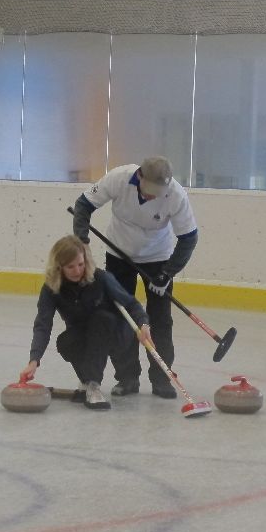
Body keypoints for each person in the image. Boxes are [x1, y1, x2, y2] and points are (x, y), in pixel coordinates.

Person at [72, 156, 198, 398]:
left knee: (160, 320)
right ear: (139, 176)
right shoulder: (119, 178)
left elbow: (189, 238)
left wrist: (167, 273)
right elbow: (83, 205)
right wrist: (82, 241)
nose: (151, 197)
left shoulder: (176, 195)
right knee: (122, 318)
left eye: (157, 194)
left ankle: (162, 378)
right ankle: (127, 378)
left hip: (158, 259)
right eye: (148, 191)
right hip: (119, 254)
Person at [19, 235, 151, 411]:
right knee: (66, 341)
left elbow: (131, 304)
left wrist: (144, 325)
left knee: (101, 318)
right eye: (70, 267)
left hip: (117, 333)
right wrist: (34, 360)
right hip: (86, 335)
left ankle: (93, 385)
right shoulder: (51, 288)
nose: (77, 270)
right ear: (59, 267)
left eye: (81, 264)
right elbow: (43, 325)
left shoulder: (101, 278)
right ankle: (88, 382)